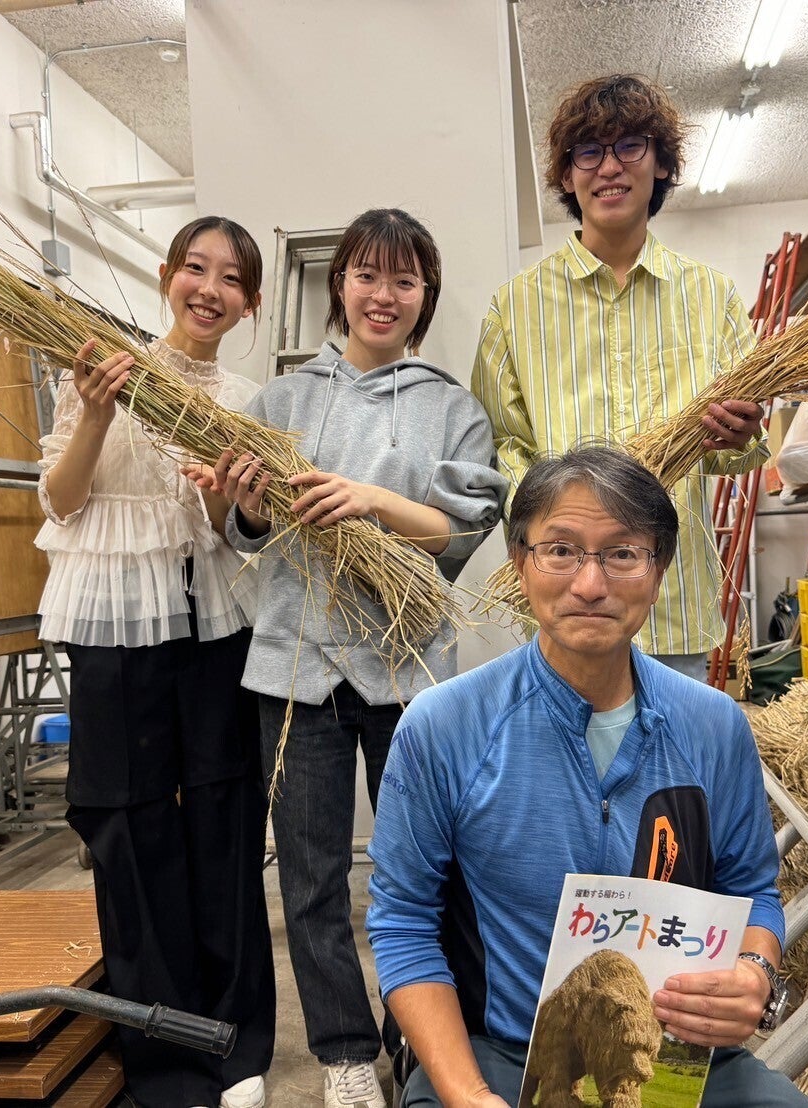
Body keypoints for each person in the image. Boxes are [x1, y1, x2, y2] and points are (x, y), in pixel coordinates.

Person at [366, 445, 808, 1108]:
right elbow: (403, 920)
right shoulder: (444, 726)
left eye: (623, 553)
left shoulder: (714, 726)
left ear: (659, 571)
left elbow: (749, 890)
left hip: (668, 1055)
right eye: (561, 550)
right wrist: (468, 1094)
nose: (590, 584)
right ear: (519, 565)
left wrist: (753, 973)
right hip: (503, 1055)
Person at [197, 208, 506, 1108]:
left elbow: (458, 533)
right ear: (339, 285)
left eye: (404, 281)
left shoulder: (452, 407)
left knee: (431, 869)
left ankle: (425, 1044)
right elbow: (243, 535)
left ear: (424, 296)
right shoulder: (281, 401)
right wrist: (249, 506)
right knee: (310, 876)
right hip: (295, 668)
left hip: (408, 671)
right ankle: (341, 1052)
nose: (383, 295)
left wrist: (370, 500)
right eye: (367, 275)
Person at [35, 217, 275, 1108]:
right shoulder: (102, 372)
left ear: (250, 303)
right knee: (127, 823)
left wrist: (226, 499)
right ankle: (165, 1058)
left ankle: (238, 1046)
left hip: (213, 620)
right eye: (196, 269)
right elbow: (62, 502)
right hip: (111, 619)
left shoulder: (246, 401)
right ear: (168, 274)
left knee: (224, 813)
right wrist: (96, 415)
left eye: (231, 279)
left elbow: (231, 534)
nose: (209, 289)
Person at [473, 74, 767, 682]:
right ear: (566, 174)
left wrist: (739, 436)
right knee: (562, 746)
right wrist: (565, 520)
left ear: (661, 164)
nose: (609, 167)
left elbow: (740, 452)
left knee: (669, 748)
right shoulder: (515, 307)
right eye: (588, 151)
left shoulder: (711, 297)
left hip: (673, 601)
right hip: (564, 602)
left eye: (630, 146)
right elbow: (500, 447)